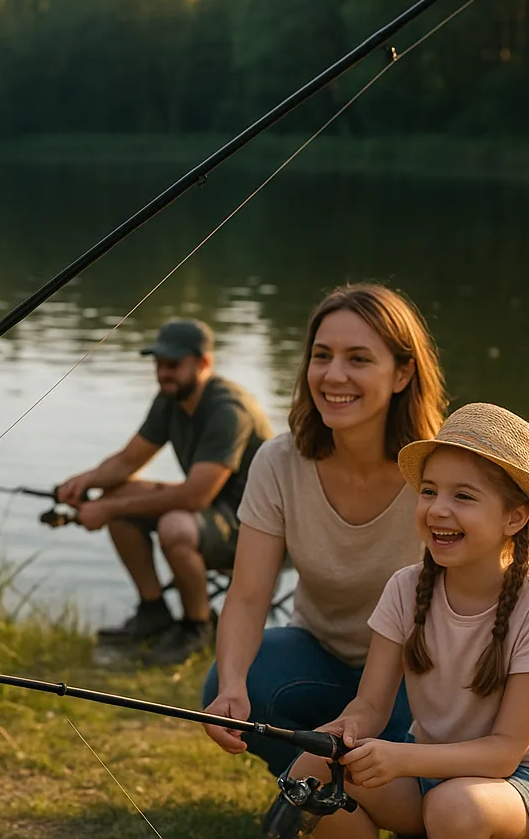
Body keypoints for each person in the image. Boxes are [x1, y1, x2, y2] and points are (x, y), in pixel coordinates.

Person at [202, 283, 447, 776]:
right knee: (232, 684)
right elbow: (249, 595)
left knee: (414, 786)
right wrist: (232, 685)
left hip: (418, 673)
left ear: (402, 374)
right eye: (322, 356)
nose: (334, 375)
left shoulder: (438, 469)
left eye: (359, 359)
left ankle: (361, 792)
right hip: (319, 655)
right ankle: (310, 789)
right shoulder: (279, 460)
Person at [288, 403, 529, 839]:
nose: (438, 509)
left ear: (514, 517)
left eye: (463, 496)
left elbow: (502, 754)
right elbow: (370, 706)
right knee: (311, 768)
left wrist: (402, 760)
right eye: (429, 491)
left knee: (453, 808)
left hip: (514, 786)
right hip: (426, 769)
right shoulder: (405, 588)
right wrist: (346, 731)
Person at [58, 319, 273, 665]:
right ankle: (154, 611)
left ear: (203, 363)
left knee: (173, 524)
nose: (162, 373)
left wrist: (109, 510)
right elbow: (129, 460)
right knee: (117, 496)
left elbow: (194, 498)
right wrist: (84, 482)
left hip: (254, 527)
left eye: (172, 364)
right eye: (158, 364)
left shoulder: (227, 410)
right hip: (212, 510)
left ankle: (197, 627)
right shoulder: (170, 399)